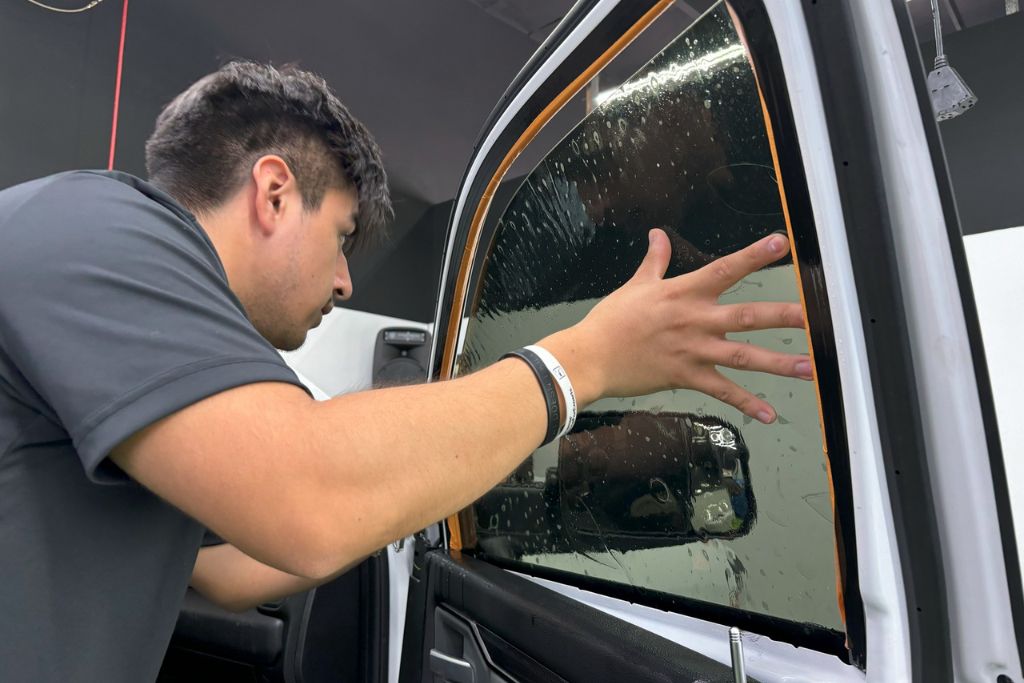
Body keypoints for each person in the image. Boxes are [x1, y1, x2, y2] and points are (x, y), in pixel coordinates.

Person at [0, 61, 812, 681]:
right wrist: (582, 363)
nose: (348, 280)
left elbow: (233, 567)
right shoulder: (92, 224)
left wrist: (490, 489)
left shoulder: (159, 372)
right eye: (345, 236)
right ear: (275, 194)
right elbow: (306, 496)